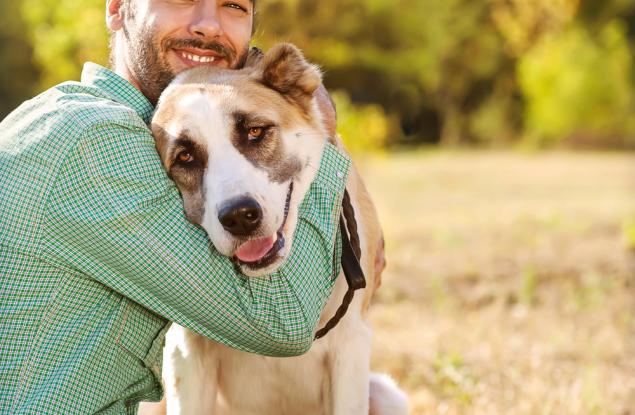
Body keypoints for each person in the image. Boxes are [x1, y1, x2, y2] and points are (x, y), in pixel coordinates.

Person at [0, 0, 350, 413]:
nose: (207, 25)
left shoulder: (94, 123)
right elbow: (283, 320)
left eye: (233, 5)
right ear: (116, 8)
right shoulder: (96, 142)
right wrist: (317, 127)